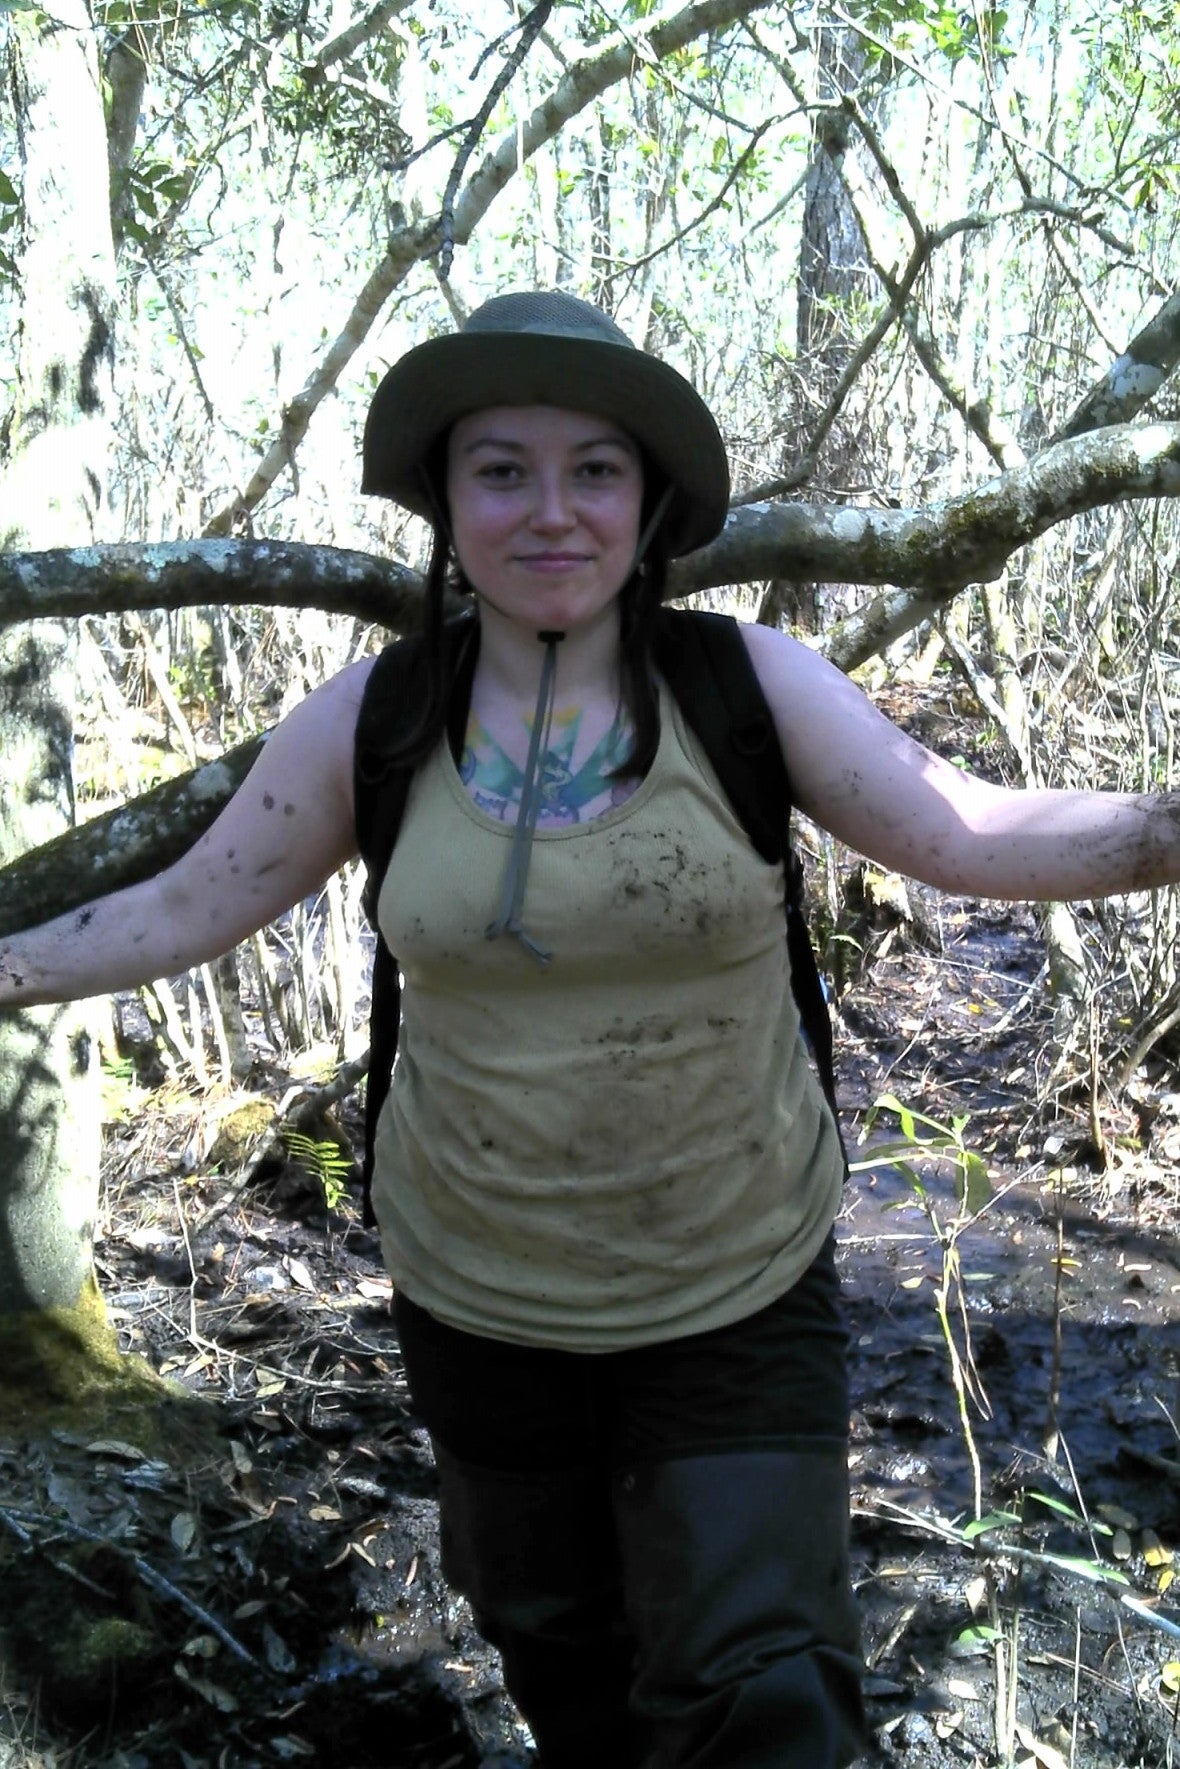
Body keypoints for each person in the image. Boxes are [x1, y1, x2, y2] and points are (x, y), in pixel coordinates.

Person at [4, 290, 1180, 1769]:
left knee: (765, 1696)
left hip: (737, 1283)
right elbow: (187, 906)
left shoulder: (746, 689)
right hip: (476, 1292)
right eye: (502, 470)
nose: (551, 512)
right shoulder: (377, 722)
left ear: (649, 502)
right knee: (562, 1656)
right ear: (446, 500)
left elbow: (973, 832)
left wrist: (1167, 828)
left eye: (595, 470)